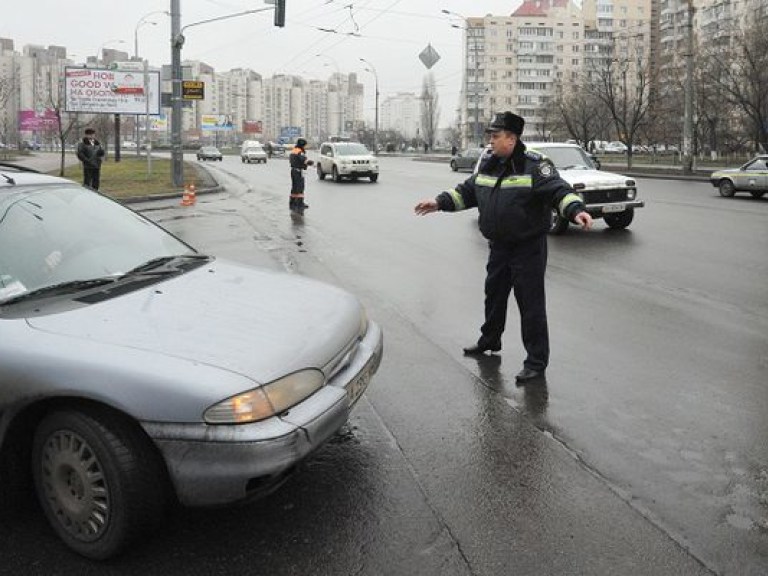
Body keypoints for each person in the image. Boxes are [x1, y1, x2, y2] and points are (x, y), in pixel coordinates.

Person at [414, 111, 593, 384]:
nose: (490, 141)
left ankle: (535, 362)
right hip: (499, 246)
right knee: (494, 296)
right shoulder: (489, 163)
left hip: (527, 247)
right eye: (490, 136)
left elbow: (558, 190)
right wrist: (439, 202)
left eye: (495, 136)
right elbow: (468, 191)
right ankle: (490, 340)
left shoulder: (535, 166)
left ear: (512, 139)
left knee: (530, 305)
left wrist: (575, 210)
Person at [288, 138, 314, 211]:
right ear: (302, 145)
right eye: (305, 145)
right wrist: (310, 162)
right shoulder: (300, 151)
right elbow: (304, 160)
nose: (305, 146)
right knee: (300, 187)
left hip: (293, 170)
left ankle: (292, 202)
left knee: (294, 187)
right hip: (298, 171)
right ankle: (300, 203)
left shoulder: (294, 150)